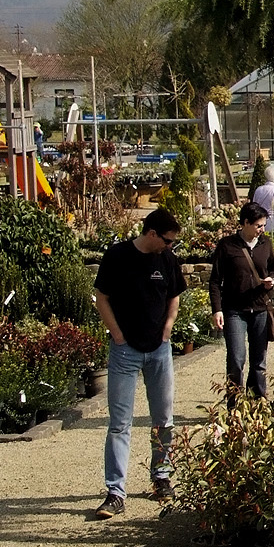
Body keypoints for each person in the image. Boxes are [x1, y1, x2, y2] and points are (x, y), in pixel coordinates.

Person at [92, 207, 186, 518]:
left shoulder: (167, 260)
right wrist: (116, 333)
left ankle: (161, 477)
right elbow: (101, 296)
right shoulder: (118, 256)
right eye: (168, 240)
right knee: (120, 424)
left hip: (159, 349)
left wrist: (170, 323)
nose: (170, 246)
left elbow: (175, 293)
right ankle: (115, 492)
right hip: (125, 351)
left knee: (163, 418)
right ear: (151, 233)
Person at [210, 202, 274, 407]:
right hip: (234, 310)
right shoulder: (227, 246)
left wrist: (271, 280)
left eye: (264, 225)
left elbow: (273, 269)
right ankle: (235, 403)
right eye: (258, 225)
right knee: (236, 359)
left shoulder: (265, 244)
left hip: (259, 307)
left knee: (259, 361)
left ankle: (257, 401)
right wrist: (217, 309)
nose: (262, 230)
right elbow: (215, 280)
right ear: (245, 223)